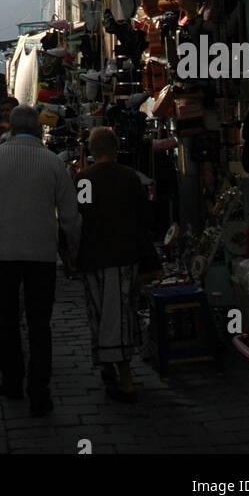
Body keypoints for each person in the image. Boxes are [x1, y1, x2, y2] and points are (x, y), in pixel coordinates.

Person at [0, 104, 80, 416]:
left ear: (12, 129)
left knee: (7, 320)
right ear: (39, 130)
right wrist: (73, 251)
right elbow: (70, 215)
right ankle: (39, 391)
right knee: (39, 323)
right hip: (41, 255)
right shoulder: (53, 163)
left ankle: (13, 380)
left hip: (2, 253)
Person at [77, 126, 150, 404]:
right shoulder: (130, 177)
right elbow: (144, 216)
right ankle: (123, 375)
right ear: (115, 148)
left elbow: (79, 216)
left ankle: (115, 371)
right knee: (119, 316)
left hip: (93, 257)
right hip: (123, 255)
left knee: (99, 314)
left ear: (92, 152)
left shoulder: (84, 180)